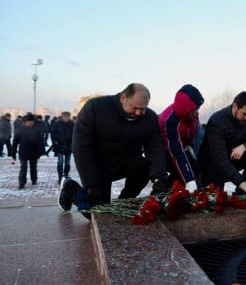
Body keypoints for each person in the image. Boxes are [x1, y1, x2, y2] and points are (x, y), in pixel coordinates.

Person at [58, 83, 169, 218]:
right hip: (98, 167)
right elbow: (81, 147)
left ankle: (125, 201)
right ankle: (70, 188)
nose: (139, 113)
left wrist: (159, 179)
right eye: (135, 108)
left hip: (126, 162)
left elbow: (156, 148)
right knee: (97, 214)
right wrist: (91, 184)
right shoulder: (95, 108)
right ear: (123, 98)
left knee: (143, 165)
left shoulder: (149, 118)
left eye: (143, 109)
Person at [198, 91, 246, 196]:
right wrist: (243, 184)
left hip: (234, 158)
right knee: (214, 200)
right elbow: (220, 159)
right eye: (244, 114)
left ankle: (243, 194)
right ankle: (244, 187)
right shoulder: (217, 121)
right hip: (213, 165)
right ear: (235, 106)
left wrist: (243, 147)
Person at [159, 84, 204, 192]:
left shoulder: (191, 113)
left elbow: (195, 130)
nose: (195, 114)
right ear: (185, 107)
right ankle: (163, 191)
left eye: (197, 109)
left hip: (185, 146)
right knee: (190, 173)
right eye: (193, 111)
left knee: (197, 168)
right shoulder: (169, 121)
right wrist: (189, 181)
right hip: (166, 152)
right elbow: (176, 152)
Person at [11, 113, 45, 189]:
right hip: (23, 152)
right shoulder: (20, 130)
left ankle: (34, 179)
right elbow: (15, 142)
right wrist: (13, 152)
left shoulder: (36, 130)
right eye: (29, 121)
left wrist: (41, 151)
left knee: (33, 167)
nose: (30, 122)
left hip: (34, 152)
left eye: (31, 121)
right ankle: (22, 183)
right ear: (25, 122)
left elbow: (40, 141)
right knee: (23, 168)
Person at [51, 111, 74, 184]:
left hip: (69, 146)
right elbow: (53, 134)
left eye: (67, 117)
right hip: (60, 146)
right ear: (62, 117)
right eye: (65, 117)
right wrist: (57, 140)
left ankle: (66, 174)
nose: (66, 118)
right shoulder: (57, 124)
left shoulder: (72, 124)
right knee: (60, 162)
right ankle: (60, 177)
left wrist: (70, 138)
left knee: (67, 163)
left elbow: (76, 134)